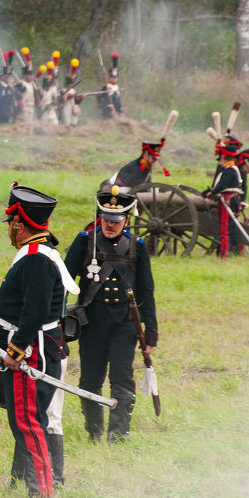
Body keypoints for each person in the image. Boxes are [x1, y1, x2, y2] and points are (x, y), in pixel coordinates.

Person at [0, 184, 77, 498]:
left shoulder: (36, 259)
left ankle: (42, 492)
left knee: (29, 423)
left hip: (31, 353)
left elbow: (35, 311)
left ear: (19, 223)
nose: (9, 231)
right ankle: (39, 488)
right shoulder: (38, 254)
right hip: (33, 350)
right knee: (29, 422)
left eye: (11, 224)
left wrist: (15, 350)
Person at [65, 186, 157, 443]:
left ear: (126, 219)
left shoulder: (137, 246)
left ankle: (118, 436)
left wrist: (151, 332)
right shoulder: (85, 240)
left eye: (116, 220)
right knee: (90, 379)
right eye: (106, 218)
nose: (110, 224)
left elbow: (146, 291)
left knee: (121, 379)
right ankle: (94, 432)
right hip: (91, 322)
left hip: (124, 325)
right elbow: (65, 279)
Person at [205, 139, 247, 257]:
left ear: (224, 158)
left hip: (228, 200)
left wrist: (211, 193)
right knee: (231, 226)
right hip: (234, 200)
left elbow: (222, 185)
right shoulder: (234, 169)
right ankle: (232, 250)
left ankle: (224, 253)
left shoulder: (229, 170)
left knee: (225, 228)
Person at [98, 52, 122, 118]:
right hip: (108, 110)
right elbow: (106, 99)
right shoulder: (107, 86)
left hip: (116, 109)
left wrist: (120, 110)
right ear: (110, 77)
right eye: (113, 77)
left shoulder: (116, 86)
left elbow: (118, 99)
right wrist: (110, 107)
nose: (115, 79)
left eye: (116, 77)